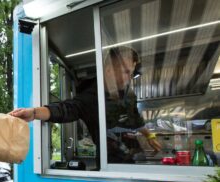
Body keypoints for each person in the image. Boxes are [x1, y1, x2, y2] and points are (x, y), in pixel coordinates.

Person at [10, 46, 161, 166]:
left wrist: (150, 136)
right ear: (109, 70)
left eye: (132, 73)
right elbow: (65, 109)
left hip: (131, 158)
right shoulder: (90, 97)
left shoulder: (128, 95)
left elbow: (136, 118)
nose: (130, 78)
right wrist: (34, 113)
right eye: (126, 72)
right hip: (109, 165)